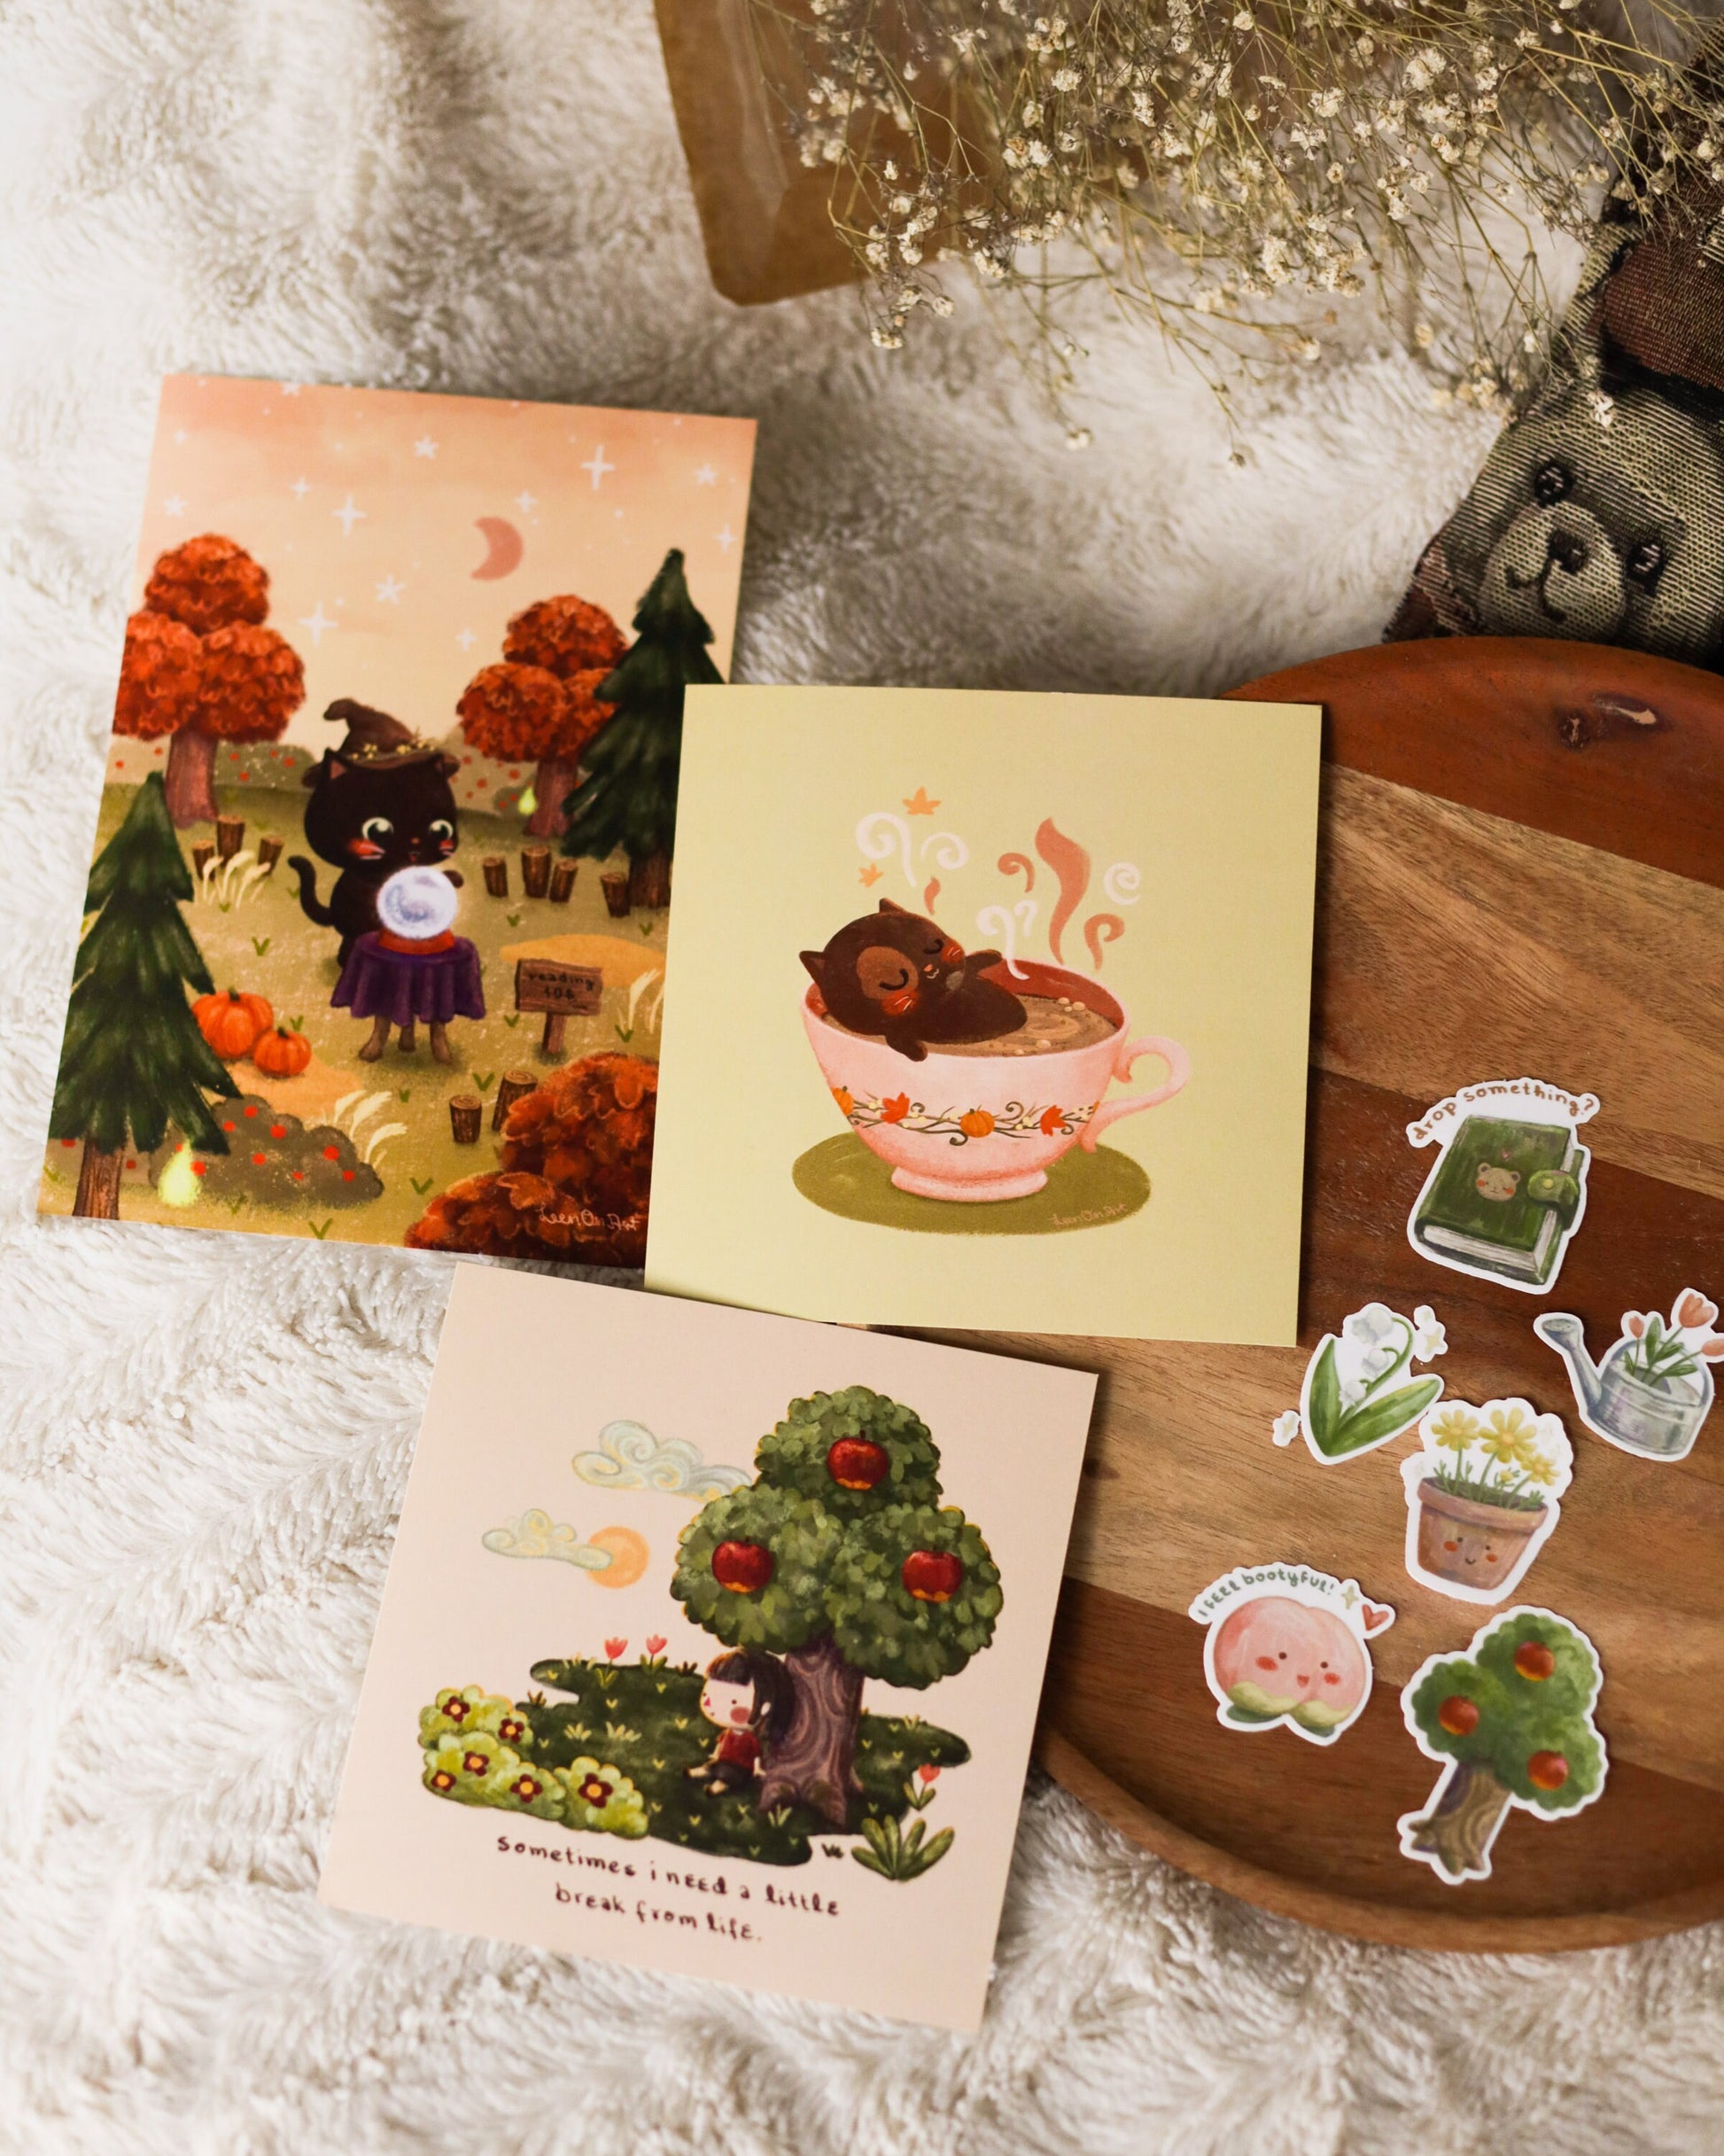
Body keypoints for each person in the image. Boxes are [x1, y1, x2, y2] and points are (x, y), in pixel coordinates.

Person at [685, 1648, 795, 1795]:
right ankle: (693, 1773)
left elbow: (756, 1756)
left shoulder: (750, 1739)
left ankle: (715, 1789)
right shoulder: (728, 1733)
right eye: (706, 1695)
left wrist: (757, 1768)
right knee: (711, 1767)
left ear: (765, 1707)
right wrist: (716, 1754)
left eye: (733, 1702)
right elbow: (720, 1744)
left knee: (727, 1777)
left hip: (739, 1769)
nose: (712, 1705)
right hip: (723, 1761)